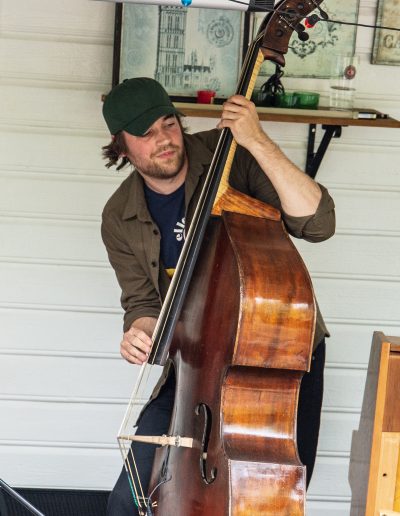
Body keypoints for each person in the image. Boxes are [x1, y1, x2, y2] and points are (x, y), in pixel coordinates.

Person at [101, 77, 335, 516]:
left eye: (168, 124)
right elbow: (144, 304)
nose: (164, 141)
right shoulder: (119, 216)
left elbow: (318, 225)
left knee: (265, 499)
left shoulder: (233, 159)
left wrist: (257, 139)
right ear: (121, 146)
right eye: (146, 135)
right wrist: (139, 331)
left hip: (275, 361)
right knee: (130, 498)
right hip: (193, 367)